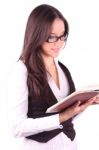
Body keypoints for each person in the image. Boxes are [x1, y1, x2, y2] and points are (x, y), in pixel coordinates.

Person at [7, 4, 99, 150]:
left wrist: (82, 106)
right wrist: (61, 117)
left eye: (63, 36)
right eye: (51, 37)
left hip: (69, 145)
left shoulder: (63, 69)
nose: (59, 43)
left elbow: (67, 118)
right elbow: (17, 128)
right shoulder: (22, 70)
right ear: (37, 35)